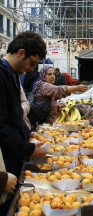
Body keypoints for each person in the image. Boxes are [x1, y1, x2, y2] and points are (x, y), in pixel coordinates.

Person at [0, 31, 47, 213]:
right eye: (32, 63)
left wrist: (27, 133)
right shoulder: (2, 75)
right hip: (5, 161)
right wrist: (27, 148)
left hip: (12, 156)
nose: (32, 69)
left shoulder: (11, 74)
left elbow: (14, 115)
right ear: (20, 53)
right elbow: (1, 127)